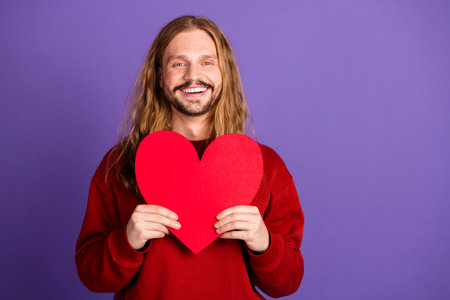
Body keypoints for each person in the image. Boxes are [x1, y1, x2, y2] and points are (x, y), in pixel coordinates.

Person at [75, 15, 304, 299]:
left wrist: (263, 242)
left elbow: (287, 283)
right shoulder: (119, 163)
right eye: (179, 63)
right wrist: (128, 240)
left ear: (224, 74)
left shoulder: (266, 166)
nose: (193, 75)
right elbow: (91, 276)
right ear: (159, 77)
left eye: (207, 62)